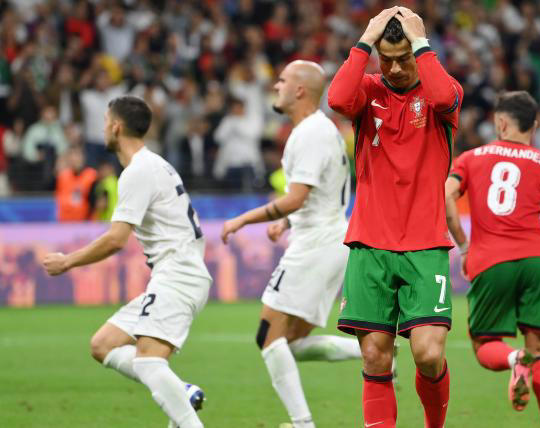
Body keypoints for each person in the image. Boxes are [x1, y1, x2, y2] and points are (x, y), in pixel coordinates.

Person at [327, 7, 463, 427]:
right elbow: (335, 98)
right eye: (387, 58)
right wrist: (364, 40)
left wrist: (421, 44)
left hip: (425, 244)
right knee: (373, 353)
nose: (397, 67)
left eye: (405, 56)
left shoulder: (442, 93)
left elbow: (443, 96)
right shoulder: (366, 91)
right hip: (370, 243)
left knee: (428, 353)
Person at [42, 96, 210, 428]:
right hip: (178, 273)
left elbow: (117, 238)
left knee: (149, 364)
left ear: (116, 127)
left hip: (179, 274)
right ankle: (180, 390)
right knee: (103, 344)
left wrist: (67, 262)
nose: (102, 128)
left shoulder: (138, 171)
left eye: (105, 121)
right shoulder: (155, 164)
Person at [221, 60, 360, 428]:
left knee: (267, 336)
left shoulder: (310, 133)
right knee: (290, 343)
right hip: (327, 240)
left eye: (282, 80)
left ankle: (302, 424)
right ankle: (372, 352)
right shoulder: (316, 131)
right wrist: (285, 222)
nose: (276, 86)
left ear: (300, 90)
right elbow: (314, 195)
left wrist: (243, 219)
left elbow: (297, 197)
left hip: (316, 245)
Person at [444, 91, 540, 428]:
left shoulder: (471, 158)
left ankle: (514, 358)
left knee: (485, 345)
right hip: (537, 258)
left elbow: (446, 197)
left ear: (500, 122)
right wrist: (537, 254)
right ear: (535, 125)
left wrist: (465, 246)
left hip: (491, 259)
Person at [55, 147, 98, 222]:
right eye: (72, 157)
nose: (75, 160)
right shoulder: (62, 176)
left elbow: (94, 201)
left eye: (78, 156)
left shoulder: (91, 176)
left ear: (83, 158)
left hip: (85, 222)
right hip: (65, 222)